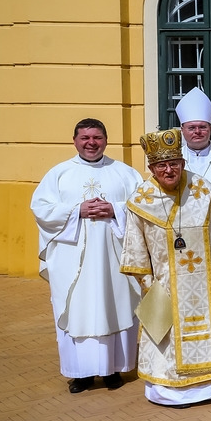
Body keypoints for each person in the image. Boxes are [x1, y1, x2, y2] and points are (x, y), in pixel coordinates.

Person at [120, 129, 211, 407]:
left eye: (174, 163)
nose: (169, 170)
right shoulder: (140, 202)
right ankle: (174, 391)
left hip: (209, 280)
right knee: (169, 333)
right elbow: (135, 248)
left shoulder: (204, 190)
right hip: (164, 282)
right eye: (161, 165)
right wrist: (146, 283)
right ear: (151, 168)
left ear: (183, 163)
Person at [31, 118, 143, 393]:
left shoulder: (125, 173)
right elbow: (41, 208)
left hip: (113, 259)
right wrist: (76, 211)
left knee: (114, 306)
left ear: (106, 140)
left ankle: (113, 370)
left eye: (97, 137)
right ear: (75, 140)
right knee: (77, 309)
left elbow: (143, 206)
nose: (91, 143)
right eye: (85, 138)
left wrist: (115, 210)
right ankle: (79, 373)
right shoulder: (59, 174)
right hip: (73, 260)